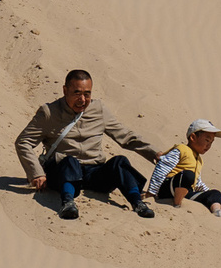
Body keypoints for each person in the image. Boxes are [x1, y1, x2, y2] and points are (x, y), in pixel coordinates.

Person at [17, 69, 164, 219]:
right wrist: (36, 173)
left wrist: (154, 153)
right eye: (77, 93)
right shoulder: (49, 113)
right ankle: (67, 203)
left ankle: (137, 203)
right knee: (70, 161)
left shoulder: (98, 109)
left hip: (94, 173)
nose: (82, 99)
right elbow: (23, 141)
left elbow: (126, 136)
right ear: (65, 90)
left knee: (120, 162)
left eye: (87, 94)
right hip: (62, 173)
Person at [148, 120, 221, 217]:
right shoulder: (181, 149)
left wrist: (209, 192)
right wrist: (151, 192)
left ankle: (217, 211)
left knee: (215, 193)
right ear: (193, 137)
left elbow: (197, 182)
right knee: (188, 175)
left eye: (211, 142)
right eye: (207, 140)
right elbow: (162, 169)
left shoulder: (199, 160)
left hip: (186, 192)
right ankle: (176, 204)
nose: (209, 145)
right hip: (168, 188)